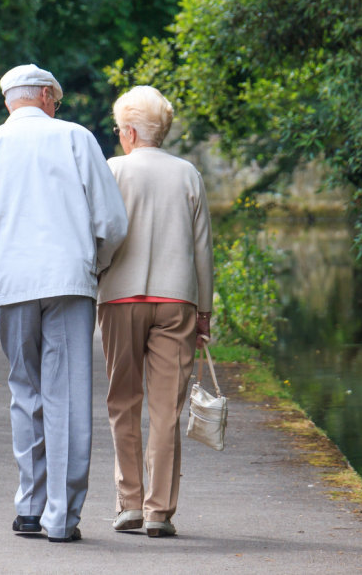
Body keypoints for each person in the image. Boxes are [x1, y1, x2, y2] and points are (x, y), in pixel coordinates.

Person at [0, 64, 128, 543]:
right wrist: (97, 264)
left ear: (9, 101)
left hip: (12, 284)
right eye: (56, 100)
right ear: (46, 95)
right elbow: (111, 222)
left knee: (26, 391)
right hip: (69, 281)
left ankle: (29, 507)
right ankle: (61, 518)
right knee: (66, 397)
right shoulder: (77, 139)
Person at [97, 85, 214, 538]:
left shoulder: (113, 170)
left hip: (120, 298)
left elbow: (101, 235)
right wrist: (203, 311)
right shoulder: (188, 175)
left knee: (123, 401)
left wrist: (98, 275)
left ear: (128, 131)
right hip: (176, 300)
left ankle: (128, 502)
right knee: (167, 408)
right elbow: (202, 250)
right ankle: (158, 511)